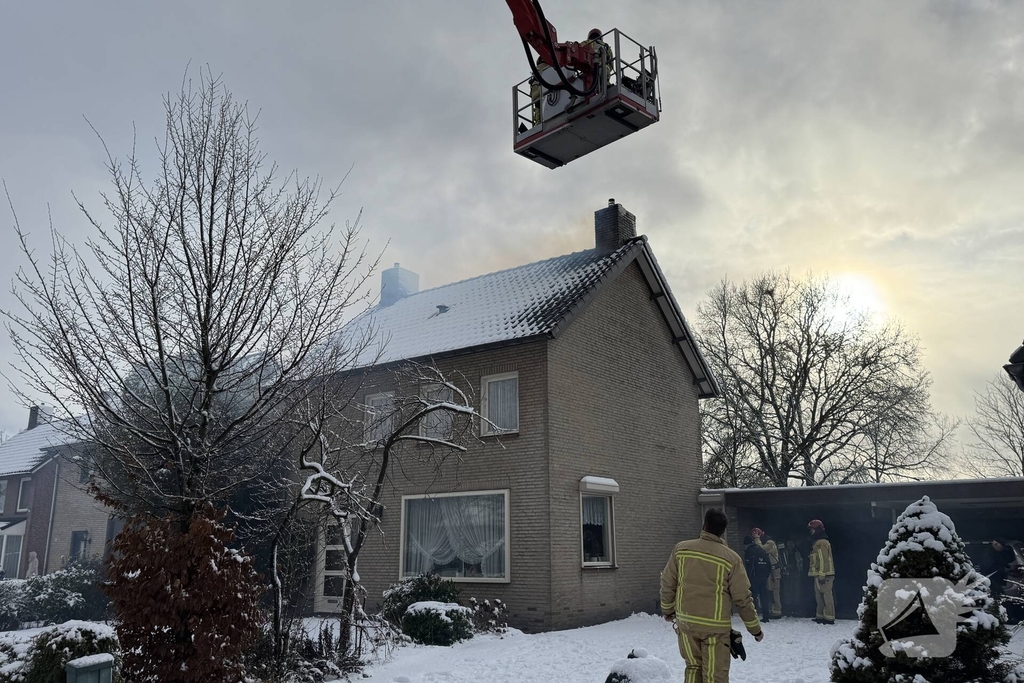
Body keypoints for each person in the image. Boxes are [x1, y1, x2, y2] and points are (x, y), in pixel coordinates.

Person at [661, 508, 763, 683]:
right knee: (715, 676)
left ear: (704, 526)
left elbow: (667, 582)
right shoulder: (731, 559)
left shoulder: (681, 550)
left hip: (687, 623)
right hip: (715, 629)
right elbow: (742, 598)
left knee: (693, 668)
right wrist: (755, 629)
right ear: (722, 531)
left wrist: (668, 609)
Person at [807, 519, 836, 624]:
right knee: (819, 596)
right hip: (819, 574)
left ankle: (829, 617)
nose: (811, 531)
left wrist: (822, 574)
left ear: (817, 529)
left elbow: (823, 559)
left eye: (812, 529)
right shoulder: (818, 542)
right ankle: (820, 616)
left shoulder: (821, 542)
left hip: (825, 574)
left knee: (826, 595)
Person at [743, 534, 773, 623]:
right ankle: (766, 616)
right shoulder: (761, 550)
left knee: (753, 597)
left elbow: (750, 566)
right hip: (763, 577)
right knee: (764, 596)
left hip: (754, 577)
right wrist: (766, 575)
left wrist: (748, 577)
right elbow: (768, 563)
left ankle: (754, 616)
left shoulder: (749, 551)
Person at [753, 529, 782, 619]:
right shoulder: (766, 542)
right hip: (769, 570)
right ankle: (771, 610)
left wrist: (757, 540)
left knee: (774, 591)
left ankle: (777, 611)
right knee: (769, 590)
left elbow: (763, 550)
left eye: (757, 536)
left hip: (774, 571)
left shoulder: (770, 542)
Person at [780, 539, 805, 616]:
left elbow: (801, 562)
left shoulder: (797, 553)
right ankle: (788, 609)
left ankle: (795, 608)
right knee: (787, 590)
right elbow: (781, 562)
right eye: (789, 544)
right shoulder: (783, 553)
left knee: (796, 590)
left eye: (792, 544)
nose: (791, 546)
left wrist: (799, 571)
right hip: (787, 574)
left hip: (796, 573)